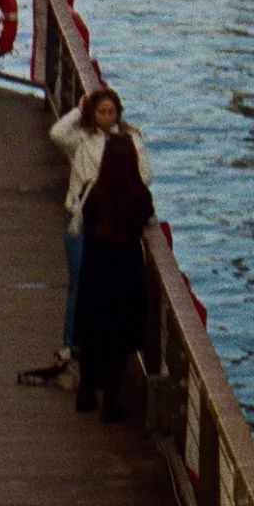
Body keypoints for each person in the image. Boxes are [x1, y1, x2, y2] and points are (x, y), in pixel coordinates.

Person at [48, 86, 151, 365]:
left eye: (111, 112)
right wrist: (78, 110)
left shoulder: (130, 141)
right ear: (93, 114)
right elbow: (57, 133)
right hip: (80, 216)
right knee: (79, 281)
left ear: (118, 115)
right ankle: (70, 343)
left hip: (109, 220)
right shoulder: (82, 139)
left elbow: (145, 175)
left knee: (100, 285)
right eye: (101, 112)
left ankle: (93, 345)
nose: (107, 117)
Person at [70, 107, 156, 418]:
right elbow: (145, 214)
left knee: (93, 333)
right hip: (125, 271)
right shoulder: (138, 198)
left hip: (95, 270)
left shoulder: (95, 195)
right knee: (121, 336)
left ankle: (85, 393)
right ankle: (110, 404)